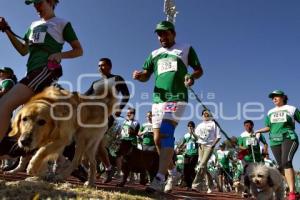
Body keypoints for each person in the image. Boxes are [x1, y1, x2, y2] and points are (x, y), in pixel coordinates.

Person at [132, 20, 203, 193]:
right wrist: (139, 75)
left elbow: (199, 70)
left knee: (165, 132)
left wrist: (192, 77)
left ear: (173, 34)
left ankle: (159, 178)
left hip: (176, 97)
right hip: (158, 100)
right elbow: (146, 76)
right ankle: (173, 171)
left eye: (165, 33)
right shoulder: (154, 54)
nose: (162, 37)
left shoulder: (185, 48)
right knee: (157, 140)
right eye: (159, 34)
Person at [0, 0, 83, 141]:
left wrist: (60, 55)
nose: (36, 7)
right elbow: (23, 50)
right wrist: (7, 30)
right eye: (34, 4)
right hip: (31, 72)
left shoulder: (62, 23)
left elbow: (79, 50)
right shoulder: (33, 25)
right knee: (20, 115)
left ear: (50, 2)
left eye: (39, 2)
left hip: (45, 70)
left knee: (5, 104)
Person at [85, 57, 130, 183]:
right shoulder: (95, 83)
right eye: (99, 66)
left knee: (94, 141)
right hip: (92, 116)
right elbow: (84, 96)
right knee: (97, 143)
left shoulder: (117, 79)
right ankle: (108, 168)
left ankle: (92, 170)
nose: (100, 68)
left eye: (103, 65)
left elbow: (126, 94)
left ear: (110, 66)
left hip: (107, 116)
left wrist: (120, 108)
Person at [255, 90, 300, 200]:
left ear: (283, 97)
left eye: (276, 96)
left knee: (286, 161)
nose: (274, 99)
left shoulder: (291, 109)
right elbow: (268, 127)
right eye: (272, 97)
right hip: (275, 141)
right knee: (281, 166)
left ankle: (292, 192)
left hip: (289, 138)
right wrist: (258, 131)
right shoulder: (270, 112)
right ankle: (293, 189)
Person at [191, 110, 221, 193]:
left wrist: (213, 145)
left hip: (209, 146)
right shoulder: (200, 125)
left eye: (207, 113)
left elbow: (218, 137)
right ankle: (211, 185)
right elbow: (197, 137)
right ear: (202, 116)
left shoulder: (214, 124)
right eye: (204, 114)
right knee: (204, 167)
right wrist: (192, 133)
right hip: (201, 146)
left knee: (201, 165)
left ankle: (196, 185)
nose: (206, 115)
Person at [115, 107, 140, 173]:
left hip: (131, 142)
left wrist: (131, 131)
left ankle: (132, 177)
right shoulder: (124, 121)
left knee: (131, 159)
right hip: (123, 140)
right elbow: (121, 131)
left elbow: (136, 133)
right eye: (127, 113)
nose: (128, 114)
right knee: (119, 156)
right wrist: (118, 138)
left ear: (134, 114)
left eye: (130, 113)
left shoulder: (136, 123)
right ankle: (119, 172)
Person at [176, 121, 198, 190]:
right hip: (187, 154)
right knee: (185, 169)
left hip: (194, 153)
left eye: (191, 126)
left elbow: (198, 140)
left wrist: (193, 134)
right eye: (189, 126)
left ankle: (195, 184)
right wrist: (178, 148)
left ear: (194, 127)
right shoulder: (186, 135)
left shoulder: (196, 134)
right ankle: (188, 185)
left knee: (191, 168)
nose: (190, 127)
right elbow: (183, 142)